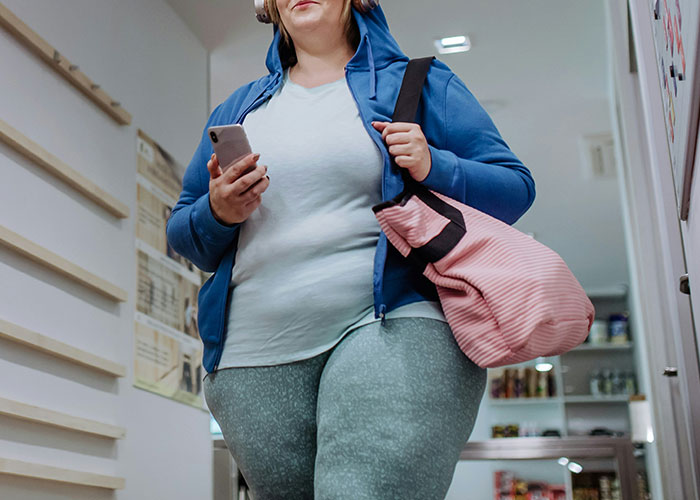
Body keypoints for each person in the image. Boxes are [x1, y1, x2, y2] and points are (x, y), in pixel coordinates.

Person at [166, 0, 536, 498]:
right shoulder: (239, 109)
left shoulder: (419, 82)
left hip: (394, 321)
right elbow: (184, 233)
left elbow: (514, 188)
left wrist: (435, 166)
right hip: (253, 352)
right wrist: (218, 211)